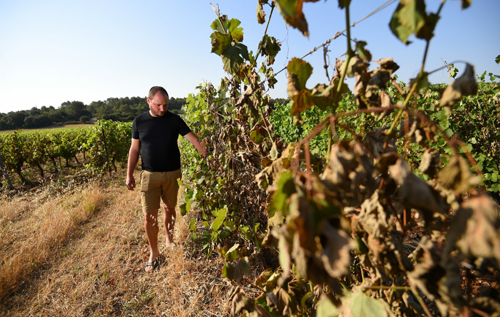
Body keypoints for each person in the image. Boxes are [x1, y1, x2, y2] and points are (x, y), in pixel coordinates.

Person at [126, 86, 206, 272]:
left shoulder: (174, 119)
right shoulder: (139, 122)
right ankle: (154, 253)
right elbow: (134, 150)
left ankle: (170, 241)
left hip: (172, 174)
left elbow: (192, 139)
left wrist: (205, 154)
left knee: (169, 209)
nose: (162, 109)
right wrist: (129, 174)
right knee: (149, 216)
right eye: (158, 105)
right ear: (148, 101)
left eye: (165, 105)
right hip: (149, 176)